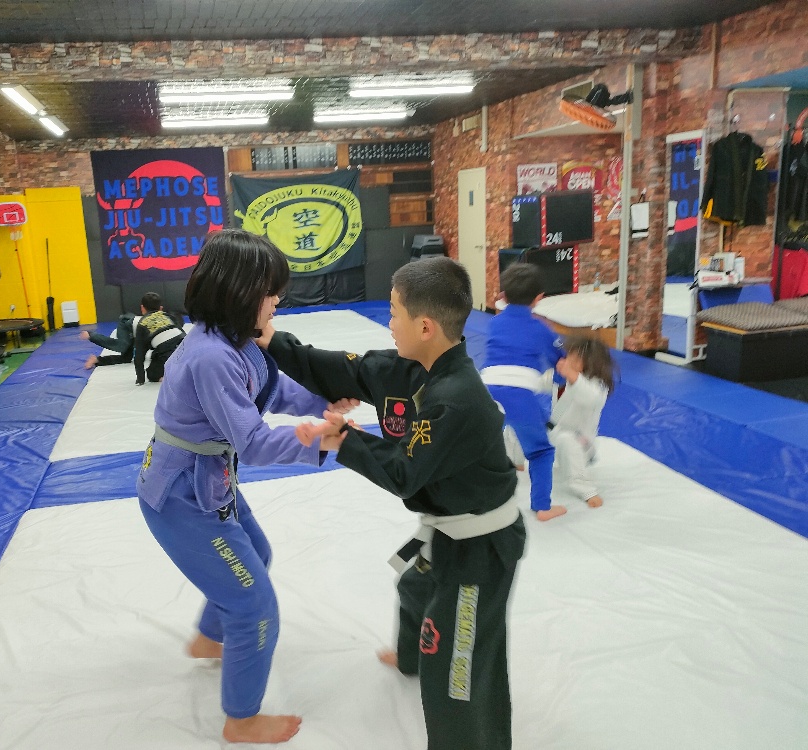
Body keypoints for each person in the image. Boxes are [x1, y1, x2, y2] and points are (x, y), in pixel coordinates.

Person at [259, 257, 526, 750]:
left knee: (457, 668)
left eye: (394, 312)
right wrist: (271, 340)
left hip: (481, 547)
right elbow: (343, 368)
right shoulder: (408, 369)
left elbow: (405, 472)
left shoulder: (456, 399)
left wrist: (344, 439)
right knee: (413, 585)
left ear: (425, 327)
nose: (389, 322)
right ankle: (411, 654)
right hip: (446, 526)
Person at [136, 229, 353, 745]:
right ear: (239, 293)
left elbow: (272, 389)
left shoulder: (233, 342)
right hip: (181, 497)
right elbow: (253, 443)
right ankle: (241, 718)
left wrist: (323, 402)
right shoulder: (211, 355)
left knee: (257, 552)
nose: (277, 301)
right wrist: (317, 443)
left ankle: (208, 640)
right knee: (254, 606)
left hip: (207, 481)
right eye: (270, 293)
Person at [481, 264, 567, 522]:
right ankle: (542, 506)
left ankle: (476, 500)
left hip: (485, 391)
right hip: (519, 394)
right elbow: (561, 362)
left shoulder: (495, 322)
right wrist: (561, 379)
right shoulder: (541, 329)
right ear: (539, 297)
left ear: (504, 295)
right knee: (541, 451)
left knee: (481, 448)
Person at [549, 336, 616, 508]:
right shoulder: (562, 379)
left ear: (592, 363)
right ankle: (513, 462)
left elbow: (591, 398)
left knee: (566, 440)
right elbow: (540, 381)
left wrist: (572, 375)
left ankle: (586, 490)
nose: (569, 361)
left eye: (576, 359)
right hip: (553, 435)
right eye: (569, 356)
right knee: (522, 422)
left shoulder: (596, 386)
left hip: (581, 444)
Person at [81, 292, 185, 384]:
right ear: (160, 308)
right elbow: (140, 354)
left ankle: (97, 360)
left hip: (141, 331)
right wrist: (140, 379)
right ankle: (91, 335)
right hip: (127, 325)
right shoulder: (157, 320)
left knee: (126, 358)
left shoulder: (166, 319)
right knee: (121, 345)